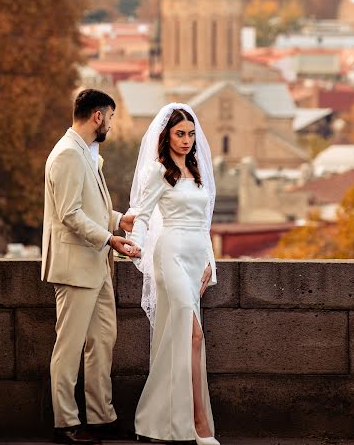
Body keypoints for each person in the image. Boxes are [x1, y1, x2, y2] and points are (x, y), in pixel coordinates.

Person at [41, 88, 140, 445]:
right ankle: (65, 423)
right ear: (98, 116)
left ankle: (100, 416)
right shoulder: (67, 153)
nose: (111, 126)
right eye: (110, 118)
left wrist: (118, 220)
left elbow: (90, 208)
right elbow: (69, 214)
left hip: (96, 264)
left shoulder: (83, 153)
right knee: (68, 348)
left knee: (102, 340)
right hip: (75, 265)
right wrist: (111, 239)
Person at [128, 103, 220, 445]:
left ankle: (153, 421)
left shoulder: (197, 171)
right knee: (192, 335)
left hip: (196, 256)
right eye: (180, 134)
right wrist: (135, 244)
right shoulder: (157, 171)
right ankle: (198, 423)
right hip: (170, 255)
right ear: (166, 135)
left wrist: (212, 263)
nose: (186, 140)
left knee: (178, 337)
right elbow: (142, 215)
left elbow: (205, 224)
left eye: (191, 134)